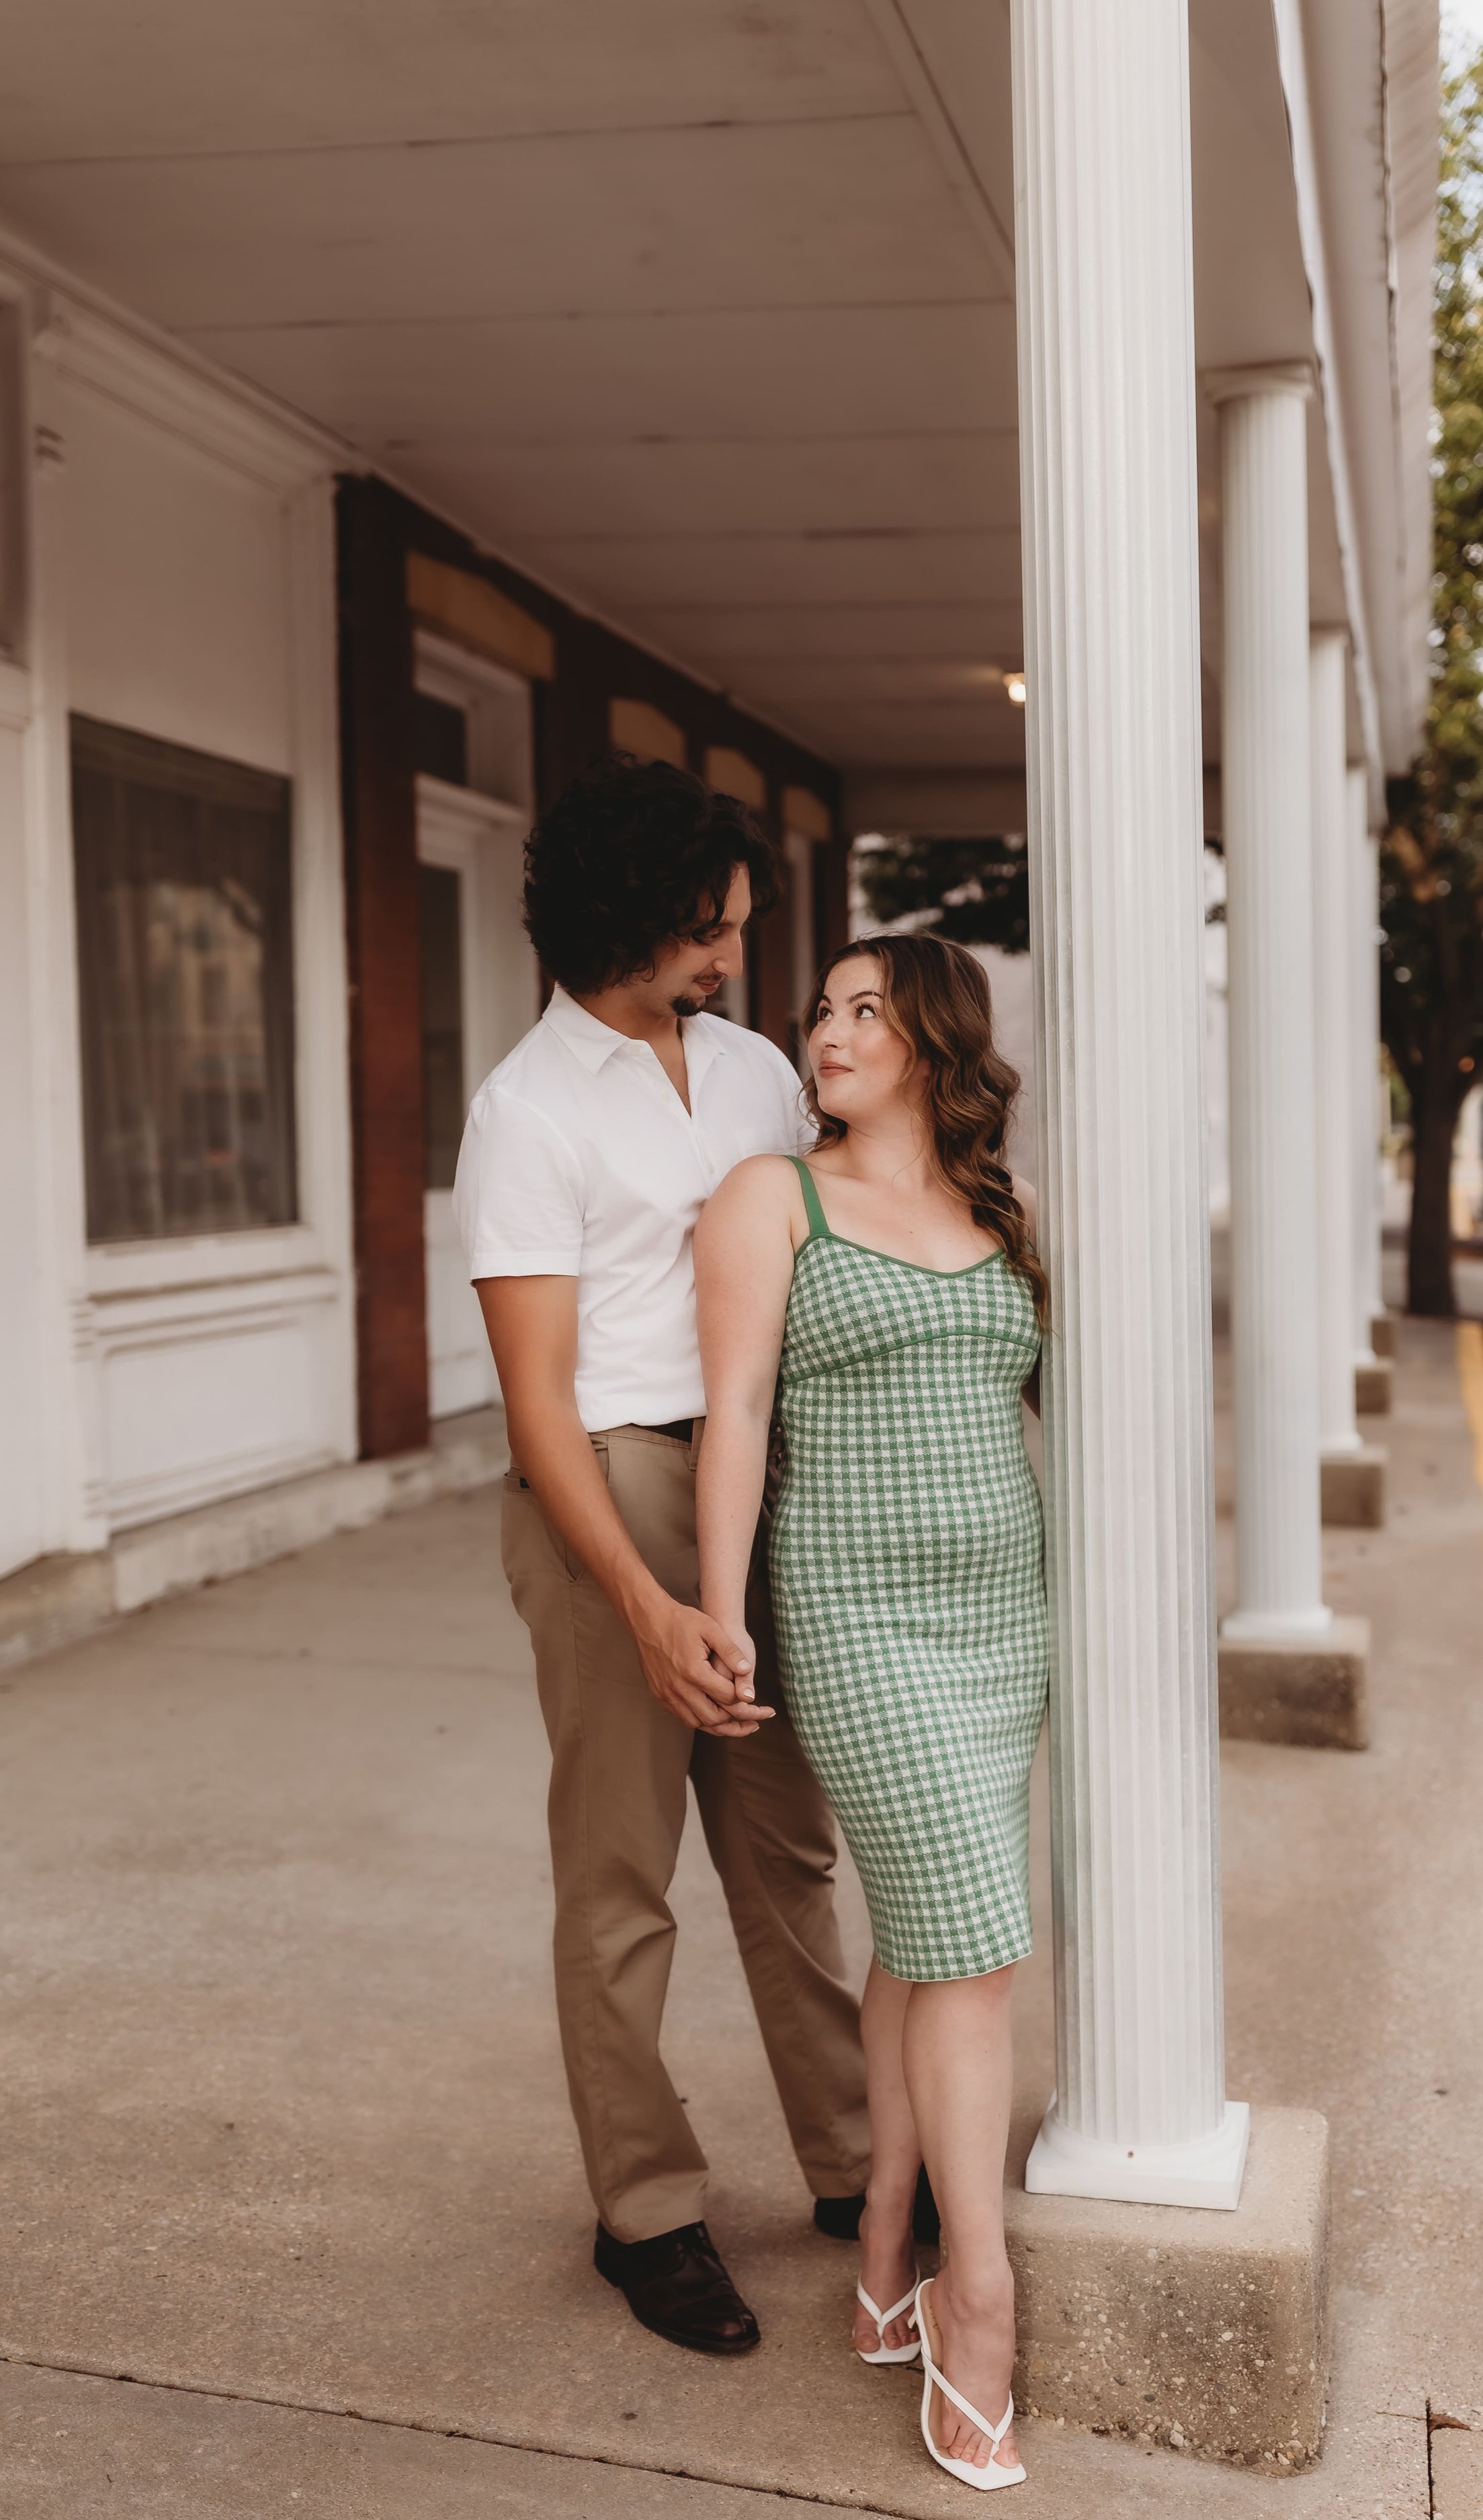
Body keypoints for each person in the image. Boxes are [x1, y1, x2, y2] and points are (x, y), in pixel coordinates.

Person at [454, 752, 872, 2359]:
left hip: (755, 1491)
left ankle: (850, 2164)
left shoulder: (763, 1069)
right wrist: (642, 1604)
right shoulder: (528, 1112)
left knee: (786, 1849)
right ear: (625, 919)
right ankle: (646, 2210)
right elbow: (542, 1409)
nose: (729, 961)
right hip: (610, 1495)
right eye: (707, 932)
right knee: (623, 1878)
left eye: (737, 931)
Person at [695, 932, 1048, 2490]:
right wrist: (719, 1617)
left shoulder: (998, 1210)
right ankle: (978, 2297)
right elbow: (737, 1418)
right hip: (857, 1619)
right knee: (973, 1944)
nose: (822, 1033)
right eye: (816, 1011)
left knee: (924, 1935)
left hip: (1001, 1622)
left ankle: (884, 2251)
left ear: (930, 1036)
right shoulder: (772, 1198)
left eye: (858, 1010)